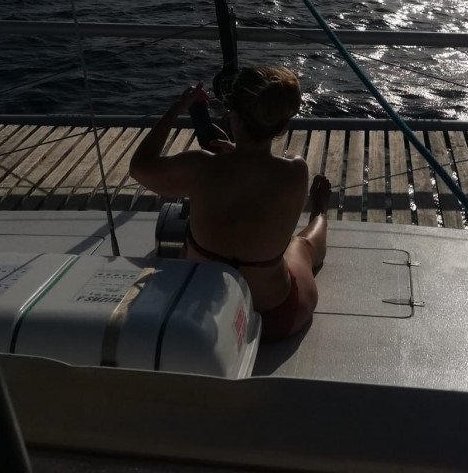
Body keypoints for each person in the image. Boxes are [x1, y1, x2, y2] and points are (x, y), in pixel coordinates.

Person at [129, 66, 330, 343]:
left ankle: (318, 216)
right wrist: (238, 154)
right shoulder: (296, 171)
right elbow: (256, 174)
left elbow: (139, 167)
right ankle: (320, 214)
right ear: (281, 126)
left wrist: (177, 108)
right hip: (274, 318)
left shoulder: (200, 167)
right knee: (300, 246)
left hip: (198, 316)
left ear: (234, 117)